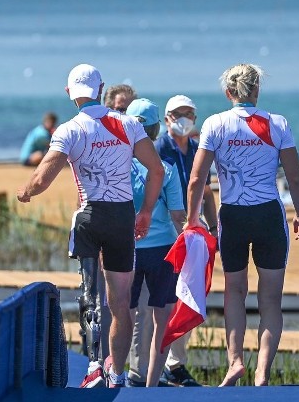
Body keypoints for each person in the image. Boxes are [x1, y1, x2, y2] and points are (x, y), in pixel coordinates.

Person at [17, 63, 165, 388]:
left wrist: (24, 192)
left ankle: (94, 366)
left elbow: (41, 179)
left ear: (70, 94)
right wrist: (147, 212)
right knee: (121, 301)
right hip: (122, 217)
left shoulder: (68, 130)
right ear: (101, 89)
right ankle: (118, 372)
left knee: (89, 296)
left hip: (88, 218)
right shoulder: (128, 124)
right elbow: (157, 170)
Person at [186, 63, 299, 387]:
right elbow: (295, 177)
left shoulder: (215, 124)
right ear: (257, 90)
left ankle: (235, 361)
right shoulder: (277, 123)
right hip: (269, 214)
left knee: (234, 292)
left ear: (229, 93)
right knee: (270, 299)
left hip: (233, 216)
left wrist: (191, 220)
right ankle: (262, 373)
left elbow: (198, 178)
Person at [153, 94, 217, 387]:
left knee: (191, 296)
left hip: (194, 235)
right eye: (179, 114)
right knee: (166, 301)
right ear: (167, 118)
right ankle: (157, 366)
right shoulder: (158, 148)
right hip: (165, 233)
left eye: (189, 114)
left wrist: (214, 229)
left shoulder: (196, 148)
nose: (185, 119)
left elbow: (206, 191)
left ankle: (175, 364)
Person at [123, 98, 186, 387]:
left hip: (127, 249)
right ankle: (150, 385)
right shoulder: (167, 168)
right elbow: (177, 215)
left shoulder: (119, 167)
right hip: (163, 250)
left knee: (125, 315)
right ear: (156, 128)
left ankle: (117, 376)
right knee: (163, 319)